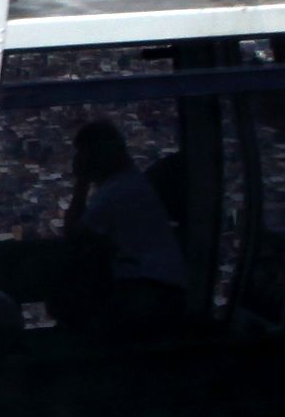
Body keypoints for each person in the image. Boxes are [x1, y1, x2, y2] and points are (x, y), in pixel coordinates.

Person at [69, 119, 192, 311]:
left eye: (83, 155)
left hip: (149, 292)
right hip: (165, 289)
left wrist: (81, 182)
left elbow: (74, 234)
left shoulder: (116, 192)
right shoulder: (132, 183)